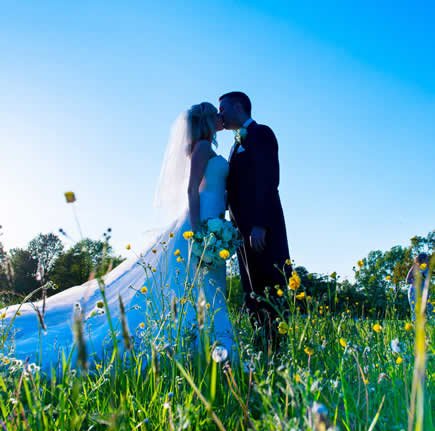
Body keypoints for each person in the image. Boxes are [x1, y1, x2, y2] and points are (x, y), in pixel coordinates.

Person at [0, 102, 236, 374]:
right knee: (190, 286)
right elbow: (192, 191)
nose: (220, 118)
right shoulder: (204, 147)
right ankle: (200, 347)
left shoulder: (204, 148)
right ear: (207, 122)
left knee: (202, 286)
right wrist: (197, 231)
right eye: (215, 115)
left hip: (214, 222)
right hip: (201, 225)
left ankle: (204, 347)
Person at [219, 91, 291, 344]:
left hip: (263, 228)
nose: (221, 115)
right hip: (242, 230)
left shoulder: (262, 134)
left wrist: (260, 223)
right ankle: (261, 341)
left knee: (270, 281)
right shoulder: (235, 144)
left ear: (239, 106)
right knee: (251, 286)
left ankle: (277, 344)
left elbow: (268, 179)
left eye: (223, 109)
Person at [406, 253, 433, 320]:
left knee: (430, 309)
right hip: (414, 292)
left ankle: (428, 328)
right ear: (422, 259)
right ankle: (414, 328)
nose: (428, 260)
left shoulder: (427, 268)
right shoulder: (415, 267)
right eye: (427, 259)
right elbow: (407, 280)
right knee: (416, 312)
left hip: (424, 292)